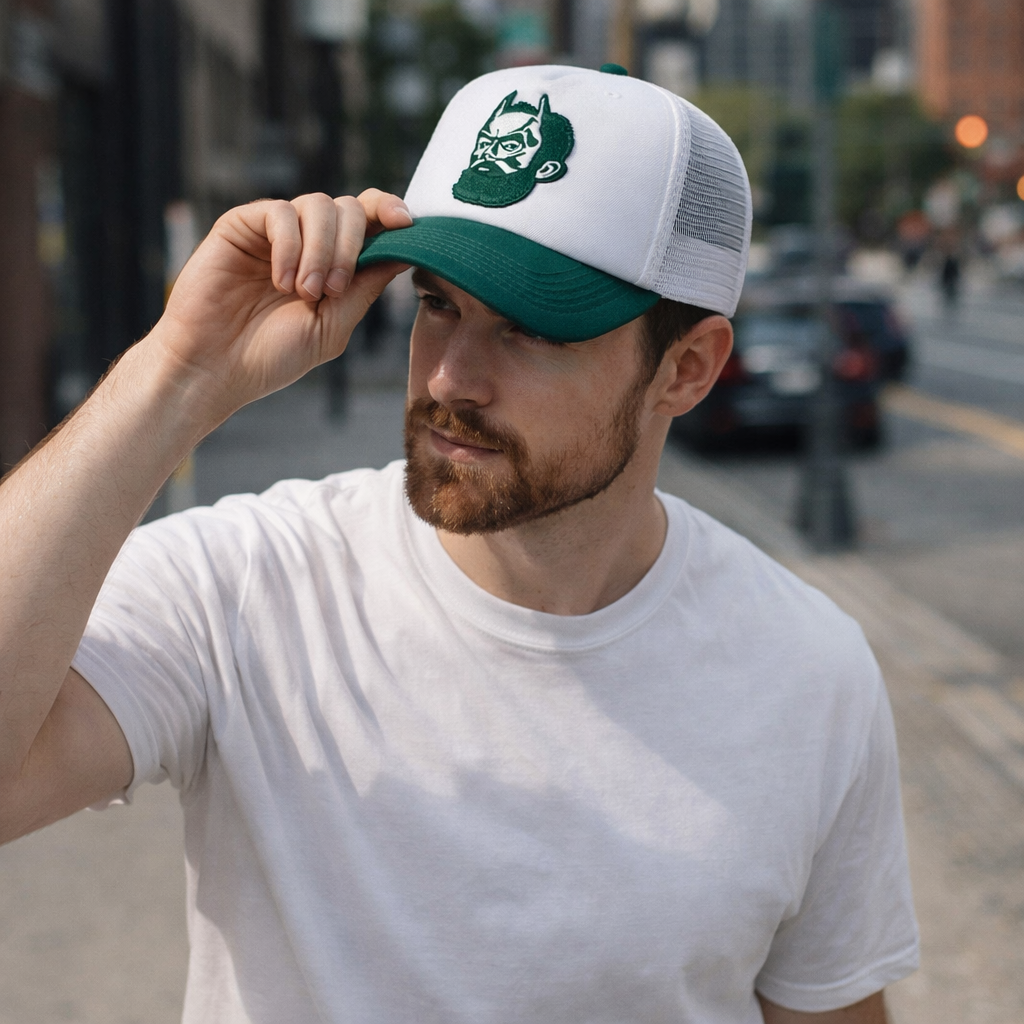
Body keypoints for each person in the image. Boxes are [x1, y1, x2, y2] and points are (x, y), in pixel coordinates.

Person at [0, 65, 917, 1023]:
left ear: (686, 369)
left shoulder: (808, 672)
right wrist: (176, 376)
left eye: (529, 330)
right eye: (437, 304)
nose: (450, 378)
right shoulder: (252, 583)